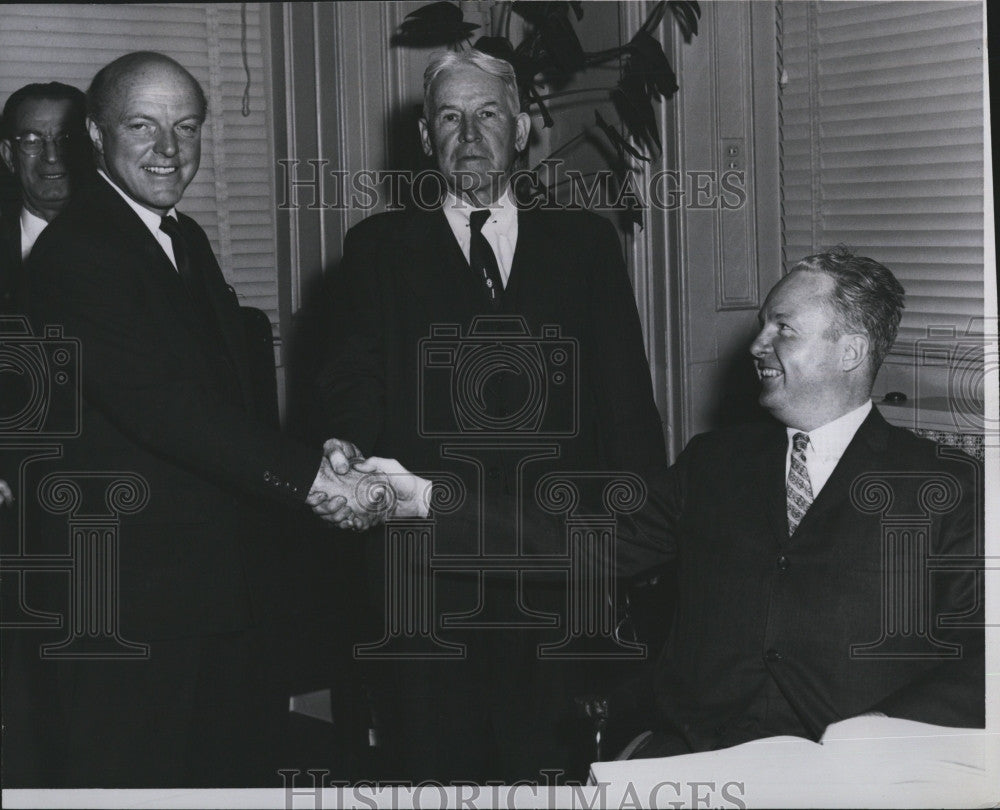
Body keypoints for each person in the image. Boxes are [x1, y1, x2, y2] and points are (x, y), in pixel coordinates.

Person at [417, 248, 984, 757]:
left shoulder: (947, 487)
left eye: (783, 329)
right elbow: (578, 538)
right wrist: (417, 500)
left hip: (853, 771)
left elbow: (983, 657)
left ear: (851, 351)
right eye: (763, 325)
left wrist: (882, 730)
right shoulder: (713, 463)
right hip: (694, 755)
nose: (758, 345)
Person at [19, 51, 388, 788]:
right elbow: (166, 406)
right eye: (144, 126)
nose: (169, 150)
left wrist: (320, 451)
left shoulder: (177, 235)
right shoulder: (77, 253)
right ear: (94, 135)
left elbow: (222, 398)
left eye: (186, 128)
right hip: (130, 607)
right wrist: (310, 479)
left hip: (208, 594)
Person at [315, 48, 667, 782]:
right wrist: (345, 446)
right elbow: (357, 379)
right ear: (423, 137)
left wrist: (642, 542)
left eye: (487, 114)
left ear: (523, 128)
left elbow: (625, 401)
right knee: (434, 769)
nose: (468, 135)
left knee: (556, 768)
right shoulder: (377, 249)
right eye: (449, 117)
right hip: (425, 571)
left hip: (559, 566)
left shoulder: (585, 243)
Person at [0, 82, 90, 313]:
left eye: (66, 138)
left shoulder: (128, 242)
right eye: (32, 140)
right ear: (9, 156)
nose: (51, 156)